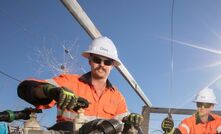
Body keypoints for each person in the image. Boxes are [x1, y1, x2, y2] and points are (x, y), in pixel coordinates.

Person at [17, 36, 143, 132]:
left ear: (113, 66)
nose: (102, 65)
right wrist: (49, 91)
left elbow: (126, 124)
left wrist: (132, 120)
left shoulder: (117, 97)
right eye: (97, 60)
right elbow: (26, 88)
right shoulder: (69, 82)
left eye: (107, 62)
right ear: (90, 60)